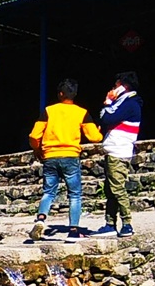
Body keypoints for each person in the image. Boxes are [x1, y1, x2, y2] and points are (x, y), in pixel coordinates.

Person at [28, 78, 101, 242]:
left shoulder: (49, 111)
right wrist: (98, 131)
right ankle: (73, 231)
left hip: (50, 157)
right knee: (74, 195)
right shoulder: (81, 112)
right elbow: (94, 137)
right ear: (74, 94)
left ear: (60, 94)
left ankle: (41, 219)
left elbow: (34, 135)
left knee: (48, 192)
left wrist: (37, 148)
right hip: (70, 156)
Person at [94, 71, 141, 236]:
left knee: (117, 188)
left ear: (124, 86)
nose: (113, 89)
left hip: (119, 151)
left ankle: (127, 223)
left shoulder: (130, 104)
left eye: (116, 85)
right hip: (113, 150)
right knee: (110, 189)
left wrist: (107, 103)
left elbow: (106, 118)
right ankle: (110, 223)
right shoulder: (122, 102)